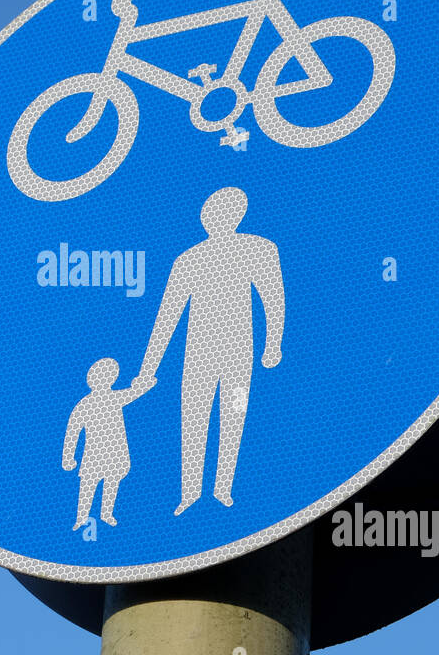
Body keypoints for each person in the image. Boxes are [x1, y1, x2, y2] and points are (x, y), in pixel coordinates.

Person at [133, 187, 285, 514]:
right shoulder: (188, 259)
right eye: (211, 213)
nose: (216, 218)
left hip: (238, 354)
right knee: (193, 420)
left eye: (225, 212)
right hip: (198, 356)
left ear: (238, 215)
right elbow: (166, 317)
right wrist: (148, 369)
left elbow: (273, 298)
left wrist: (273, 344)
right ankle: (189, 493)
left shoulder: (257, 248)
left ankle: (224, 490)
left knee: (234, 416)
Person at [64, 358, 153, 530]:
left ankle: (106, 514)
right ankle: (81, 518)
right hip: (93, 455)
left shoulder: (115, 397)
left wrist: (146, 383)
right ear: (91, 379)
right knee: (88, 485)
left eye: (108, 376)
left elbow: (134, 393)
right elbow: (72, 432)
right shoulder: (85, 404)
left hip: (116, 453)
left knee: (112, 483)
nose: (104, 380)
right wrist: (68, 457)